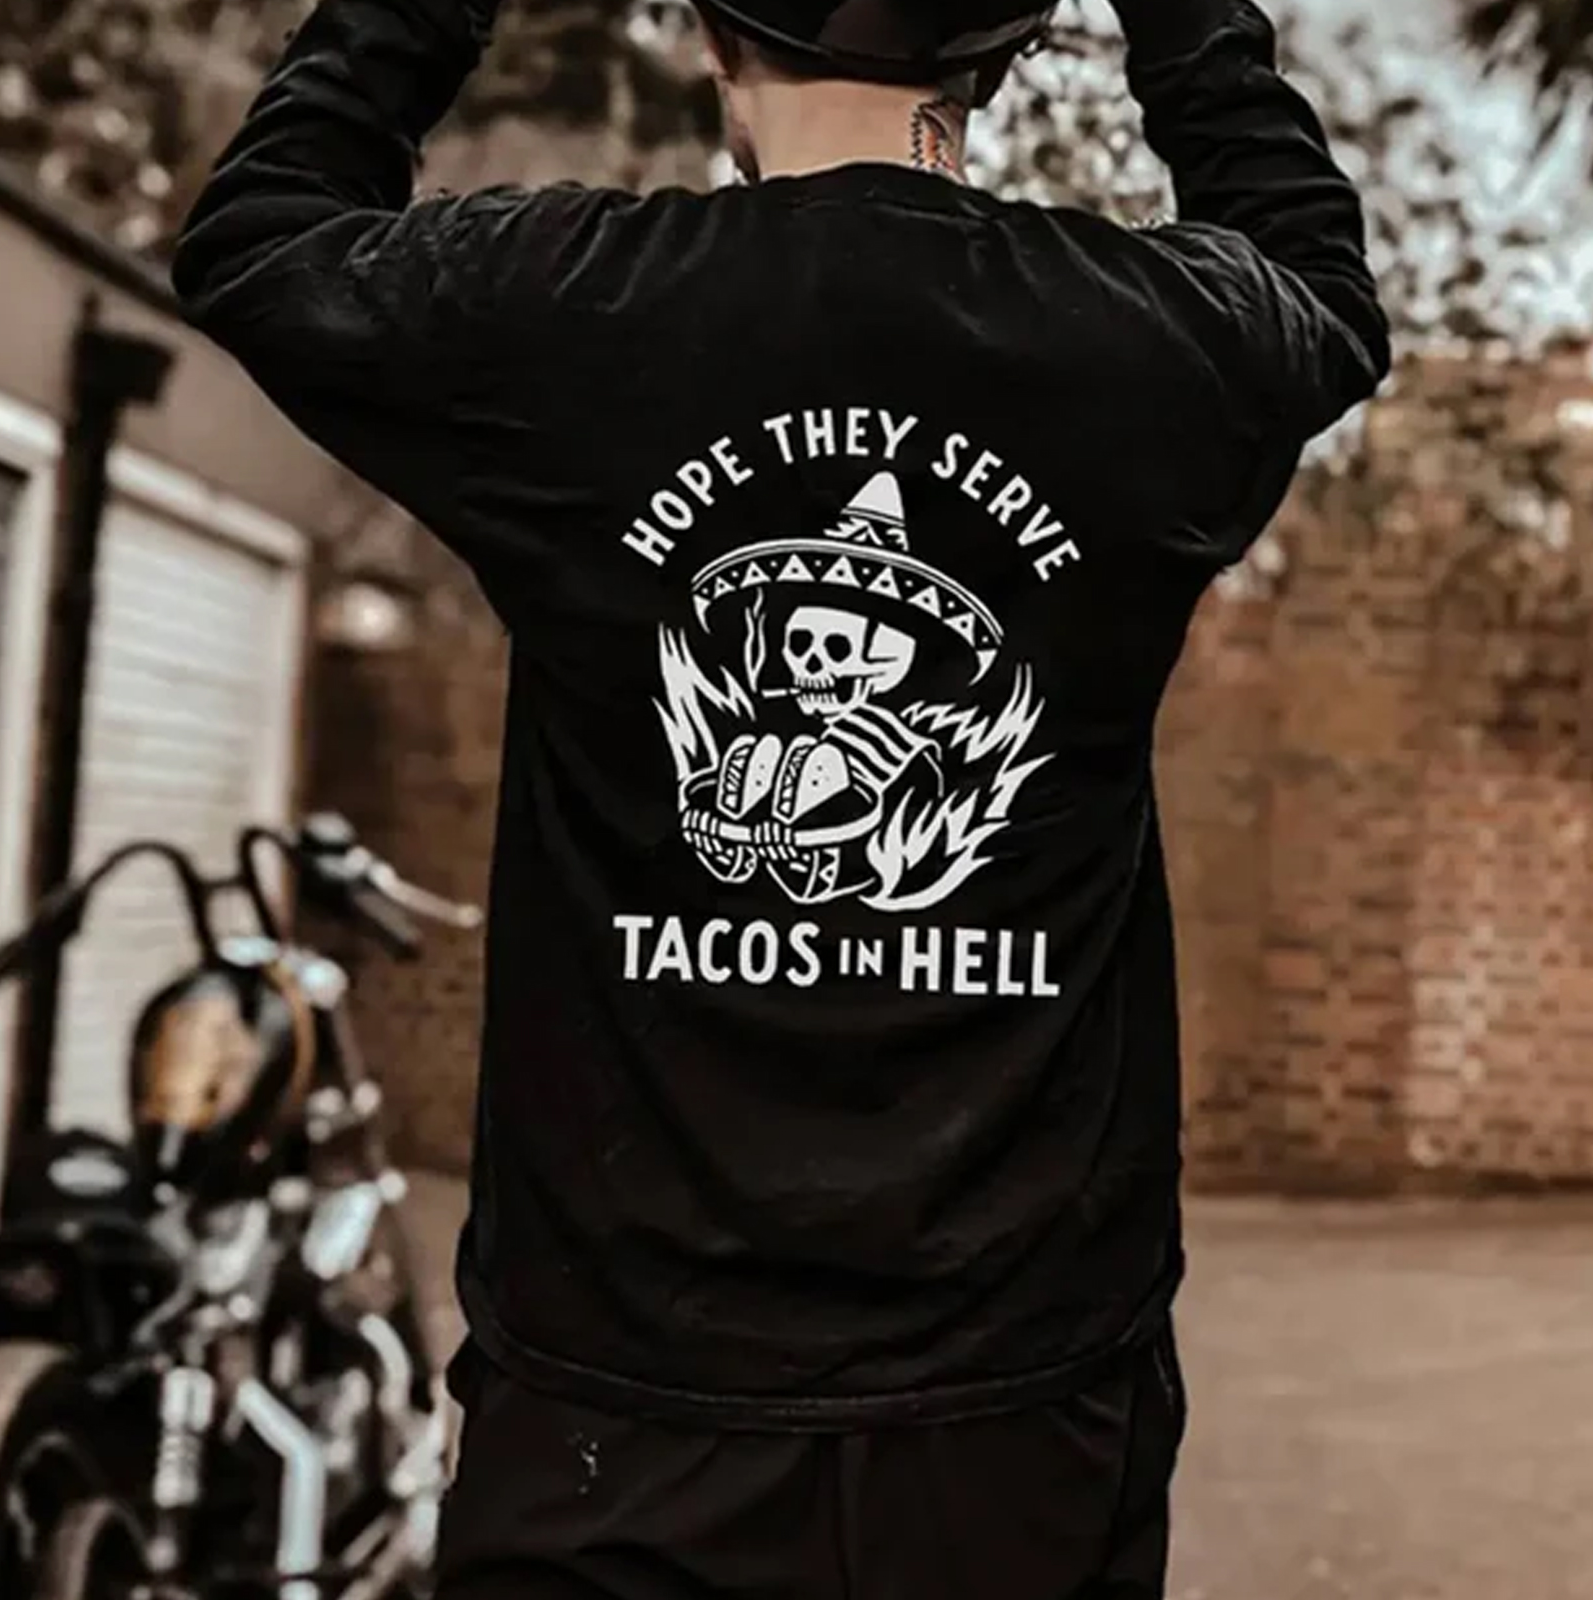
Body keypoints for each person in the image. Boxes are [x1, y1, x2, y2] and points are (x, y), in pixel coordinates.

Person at [173, 0, 1389, 1594]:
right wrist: (1187, 26)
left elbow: (258, 242)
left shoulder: (575, 310)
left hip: (617, 1422)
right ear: (1002, 53)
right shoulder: (1146, 342)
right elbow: (1323, 287)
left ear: (710, 39)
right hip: (1016, 1419)